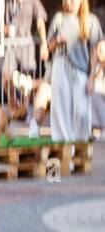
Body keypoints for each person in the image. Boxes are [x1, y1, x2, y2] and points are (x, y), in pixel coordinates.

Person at [46, 0, 102, 141]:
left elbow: (95, 51)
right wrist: (57, 40)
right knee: (60, 110)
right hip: (61, 64)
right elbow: (48, 47)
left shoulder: (91, 21)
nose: (69, 2)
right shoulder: (59, 18)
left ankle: (80, 146)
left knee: (82, 111)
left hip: (81, 69)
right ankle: (63, 148)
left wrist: (92, 78)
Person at [8, 0, 47, 81]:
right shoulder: (8, 2)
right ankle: (12, 94)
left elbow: (40, 23)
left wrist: (44, 43)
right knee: (7, 77)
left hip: (27, 48)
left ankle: (28, 94)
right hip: (10, 46)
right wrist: (6, 29)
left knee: (28, 79)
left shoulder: (34, 2)